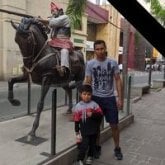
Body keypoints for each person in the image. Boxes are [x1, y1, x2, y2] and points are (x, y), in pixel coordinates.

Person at [84, 40, 124, 160]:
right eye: (97, 49)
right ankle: (97, 147)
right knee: (95, 126)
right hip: (95, 99)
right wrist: (86, 101)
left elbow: (117, 80)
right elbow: (88, 82)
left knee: (114, 125)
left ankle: (117, 148)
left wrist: (120, 98)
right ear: (94, 50)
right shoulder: (90, 64)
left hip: (110, 99)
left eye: (102, 49)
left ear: (105, 48)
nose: (100, 51)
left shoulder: (113, 63)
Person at [38, 2, 73, 77]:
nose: (52, 13)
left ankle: (63, 69)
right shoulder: (53, 19)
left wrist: (43, 20)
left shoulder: (65, 18)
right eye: (51, 11)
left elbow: (53, 22)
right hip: (54, 41)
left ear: (59, 10)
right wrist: (42, 24)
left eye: (53, 11)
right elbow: (48, 30)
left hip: (64, 42)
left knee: (64, 51)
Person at [73, 84, 103, 165]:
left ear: (91, 94)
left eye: (89, 94)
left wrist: (93, 114)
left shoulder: (94, 105)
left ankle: (90, 156)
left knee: (92, 144)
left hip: (94, 129)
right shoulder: (78, 106)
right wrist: (76, 130)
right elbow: (76, 119)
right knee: (84, 144)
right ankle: (80, 159)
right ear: (80, 94)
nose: (86, 96)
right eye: (84, 94)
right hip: (84, 130)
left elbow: (100, 115)